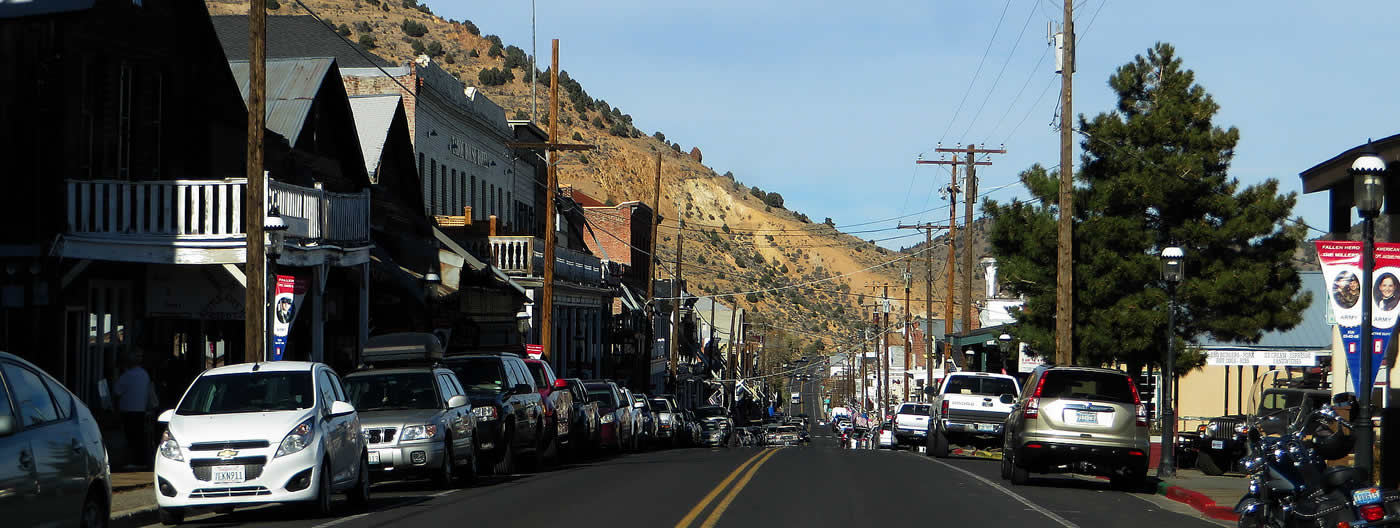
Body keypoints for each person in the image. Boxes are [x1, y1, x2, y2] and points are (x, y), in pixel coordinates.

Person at [115, 347, 156, 469]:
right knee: (139, 436)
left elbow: (116, 392)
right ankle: (141, 460)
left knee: (131, 436)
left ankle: (134, 460)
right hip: (141, 411)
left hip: (128, 411)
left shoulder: (127, 375)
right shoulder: (144, 374)